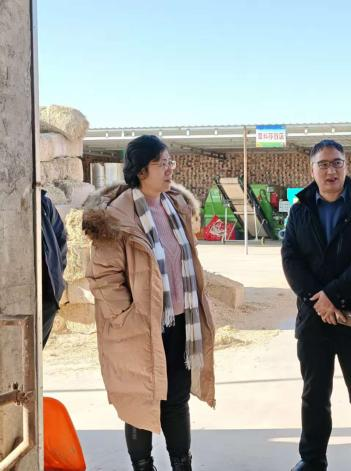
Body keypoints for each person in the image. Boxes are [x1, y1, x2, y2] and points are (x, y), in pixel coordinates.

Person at [82, 135, 215, 471]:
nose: (170, 169)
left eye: (170, 162)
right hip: (140, 326)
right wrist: (128, 315)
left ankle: (181, 464)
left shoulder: (176, 207)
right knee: (140, 399)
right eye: (162, 163)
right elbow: (103, 277)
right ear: (141, 170)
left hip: (180, 322)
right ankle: (143, 466)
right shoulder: (116, 216)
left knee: (177, 399)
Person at [281, 139, 351, 471]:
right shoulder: (300, 209)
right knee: (314, 395)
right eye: (323, 164)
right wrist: (318, 299)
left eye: (337, 163)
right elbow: (290, 258)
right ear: (312, 169)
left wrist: (333, 296)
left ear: (346, 166)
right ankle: (312, 459)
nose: (331, 170)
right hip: (314, 318)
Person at [41, 189, 67, 347]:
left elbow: (60, 239)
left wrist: (56, 276)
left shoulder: (43, 204)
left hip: (46, 299)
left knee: (33, 351)